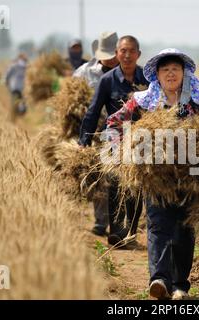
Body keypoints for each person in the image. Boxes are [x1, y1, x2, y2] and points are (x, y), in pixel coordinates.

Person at [106, 48, 199, 299]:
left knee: (184, 229)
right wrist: (120, 149)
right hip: (156, 176)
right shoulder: (144, 101)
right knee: (157, 225)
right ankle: (160, 281)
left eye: (176, 69)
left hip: (192, 177)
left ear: (184, 74)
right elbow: (115, 122)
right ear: (157, 75)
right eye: (165, 70)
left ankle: (179, 286)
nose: (171, 73)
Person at [78, 35, 149, 248]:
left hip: (141, 139)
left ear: (138, 54)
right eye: (123, 51)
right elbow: (93, 112)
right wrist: (84, 141)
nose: (127, 55)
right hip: (114, 138)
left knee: (136, 186)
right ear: (116, 54)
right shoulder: (107, 80)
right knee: (115, 183)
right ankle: (117, 232)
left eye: (131, 51)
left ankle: (131, 232)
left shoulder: (147, 79)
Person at [72, 31, 120, 236]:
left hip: (121, 132)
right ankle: (101, 221)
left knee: (118, 177)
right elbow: (71, 100)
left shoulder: (127, 73)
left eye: (112, 54)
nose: (109, 58)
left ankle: (120, 224)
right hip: (94, 130)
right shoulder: (84, 72)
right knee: (99, 175)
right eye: (105, 54)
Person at [3, 53, 28, 120]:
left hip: (15, 87)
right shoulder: (26, 67)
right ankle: (19, 111)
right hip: (21, 88)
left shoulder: (14, 66)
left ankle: (15, 113)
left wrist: (5, 81)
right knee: (21, 100)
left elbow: (7, 75)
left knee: (17, 100)